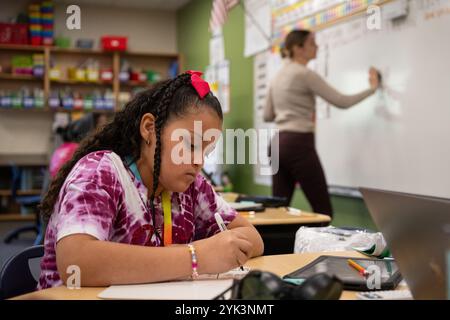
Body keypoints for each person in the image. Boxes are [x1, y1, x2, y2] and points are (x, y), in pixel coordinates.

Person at [37, 71, 264, 289]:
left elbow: (254, 239)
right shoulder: (101, 172)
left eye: (206, 150)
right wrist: (195, 257)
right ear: (149, 128)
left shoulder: (191, 187)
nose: (199, 161)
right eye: (190, 144)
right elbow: (76, 263)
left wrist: (214, 250)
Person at [264, 30, 380, 217]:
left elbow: (267, 115)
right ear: (297, 48)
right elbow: (342, 101)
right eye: (312, 43)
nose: (317, 46)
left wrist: (289, 109)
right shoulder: (304, 74)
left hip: (278, 144)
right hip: (298, 144)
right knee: (323, 212)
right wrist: (373, 89)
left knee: (278, 211)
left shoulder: (277, 76)